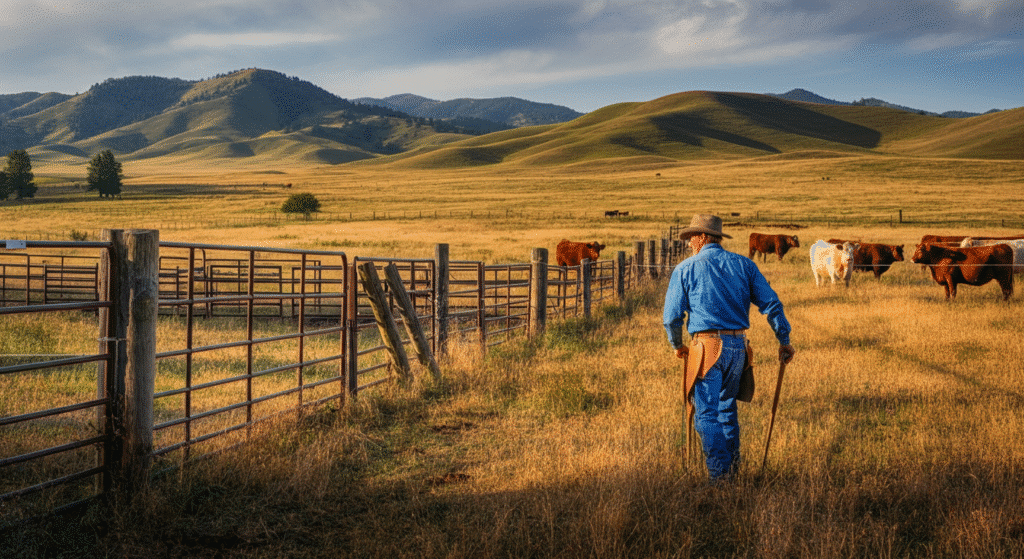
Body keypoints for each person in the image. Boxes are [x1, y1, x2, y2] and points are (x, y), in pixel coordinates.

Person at [663, 214, 796, 480]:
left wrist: (677, 344)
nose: (689, 243)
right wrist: (784, 340)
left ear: (702, 237)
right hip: (738, 348)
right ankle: (733, 471)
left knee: (706, 413)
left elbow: (671, 317)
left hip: (706, 348)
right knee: (726, 409)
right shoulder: (744, 265)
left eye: (691, 237)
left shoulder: (685, 269)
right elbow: (771, 304)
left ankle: (720, 477)